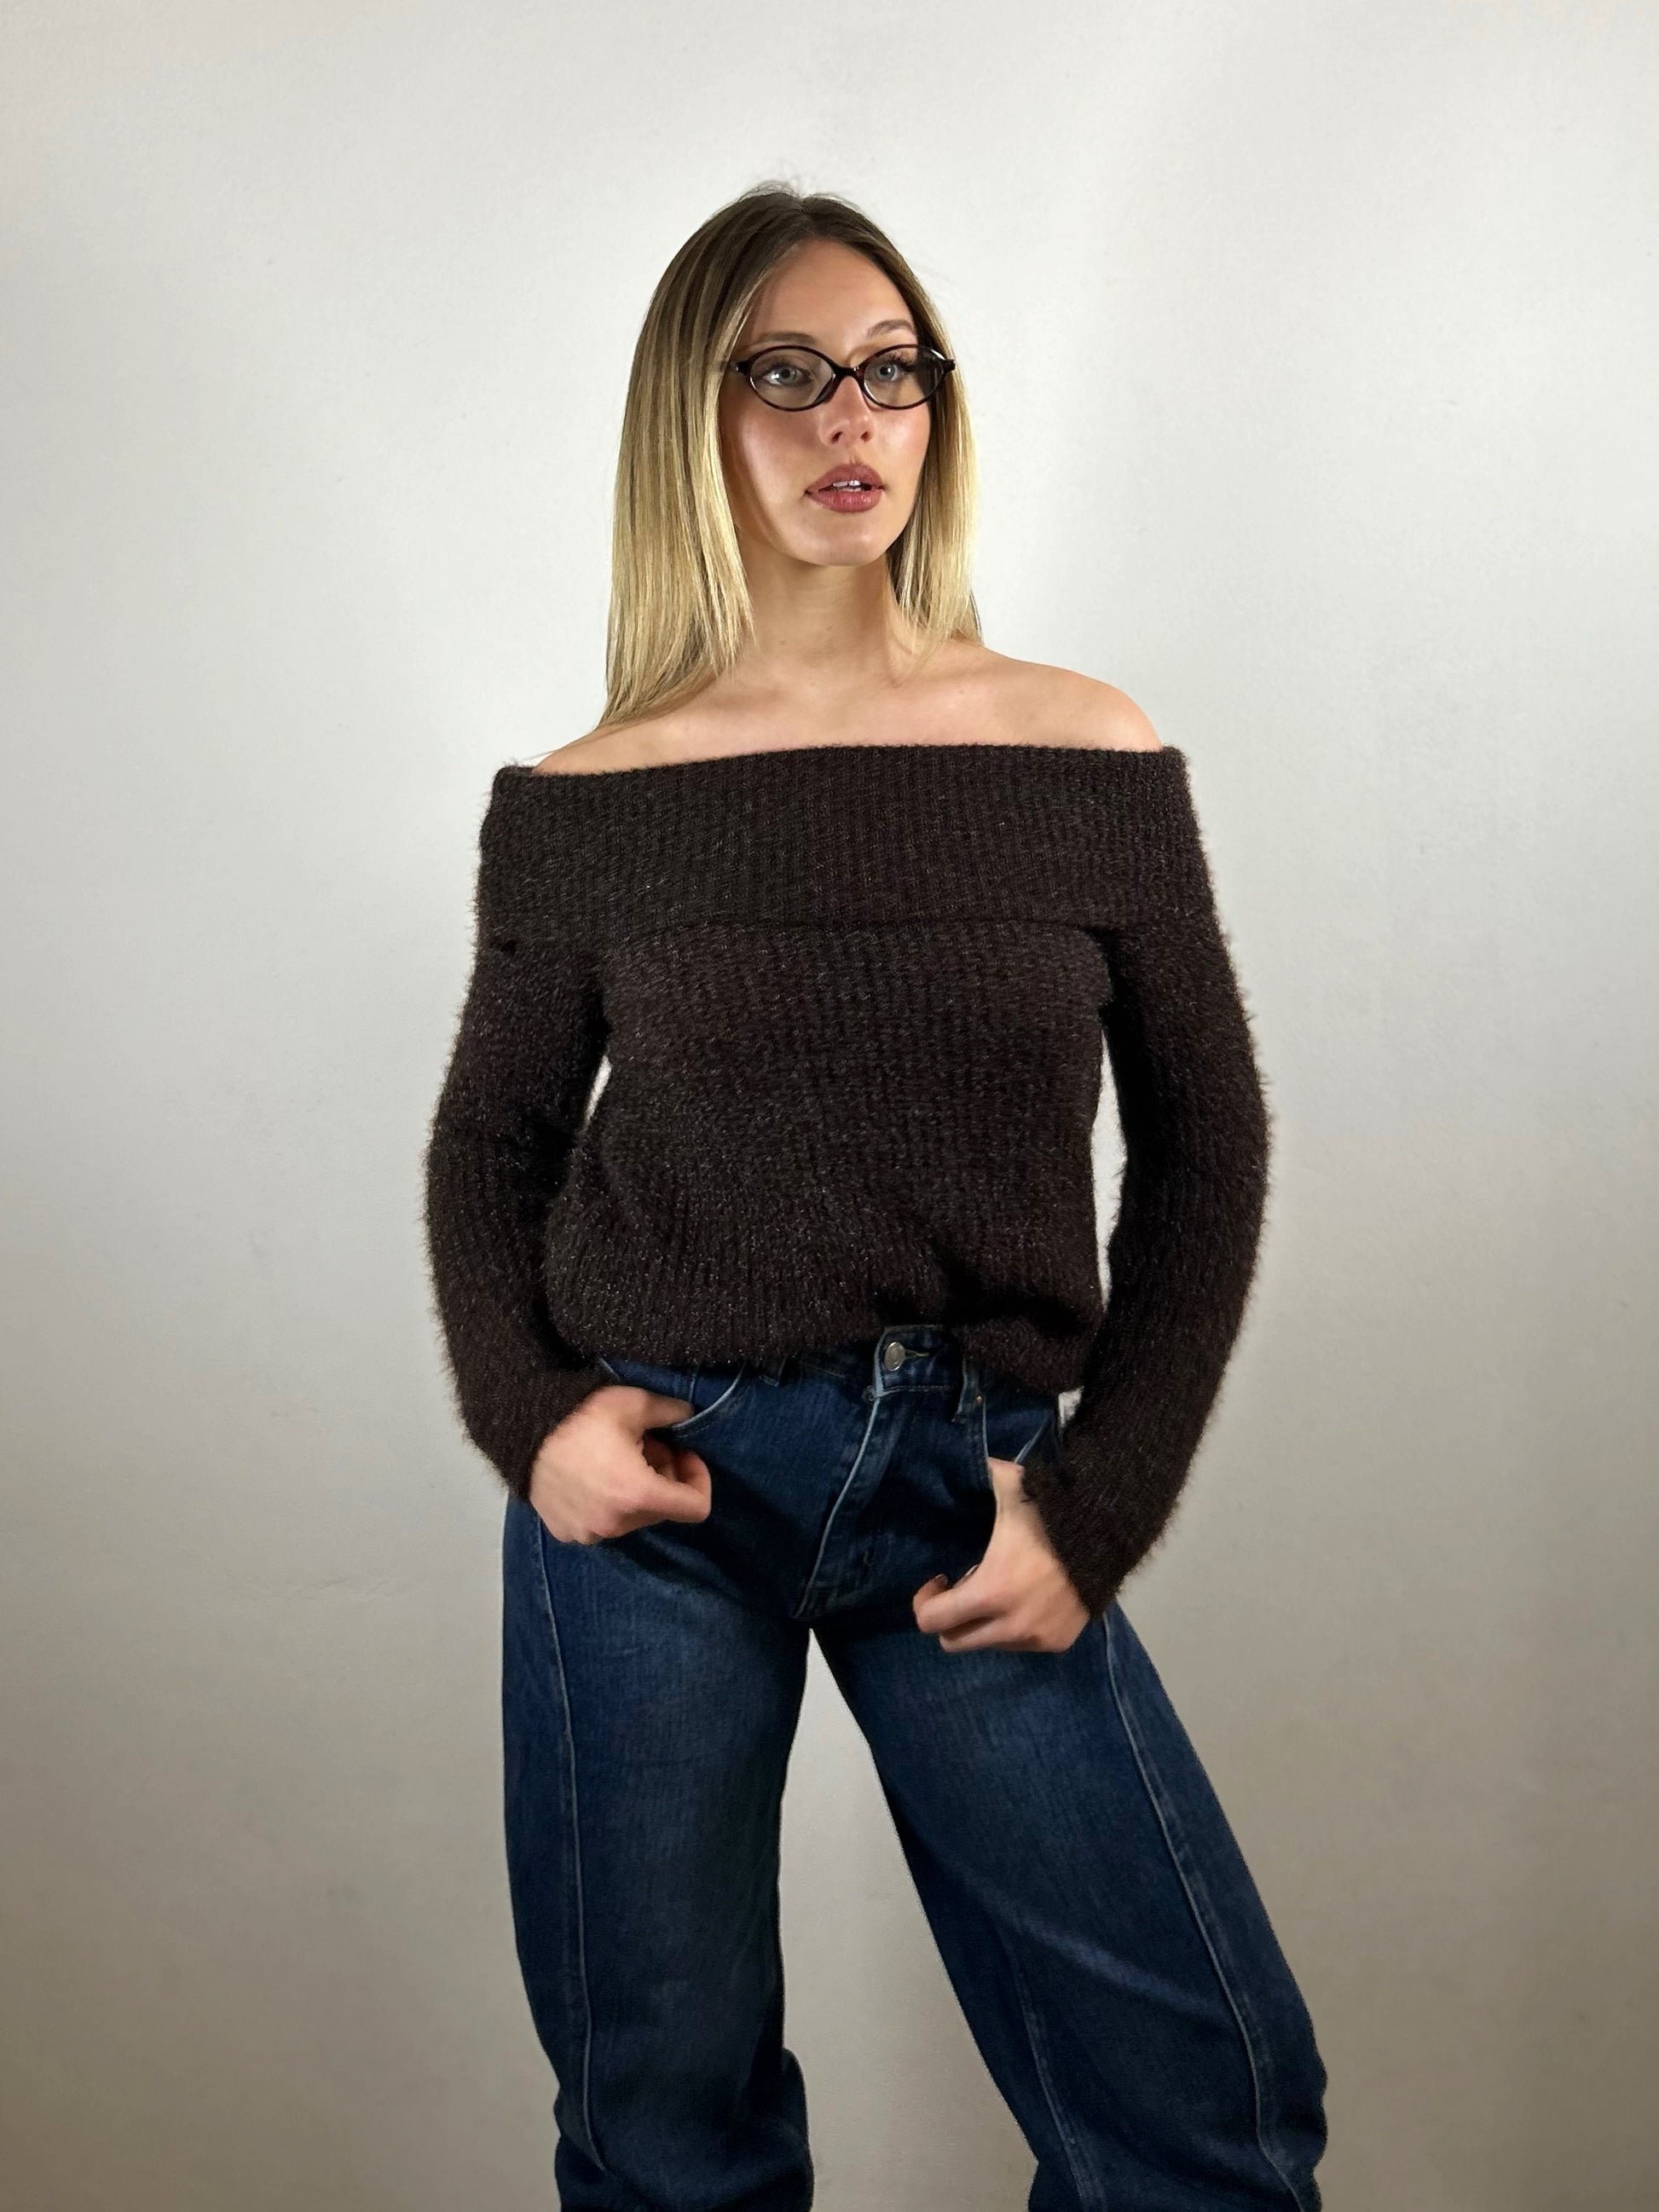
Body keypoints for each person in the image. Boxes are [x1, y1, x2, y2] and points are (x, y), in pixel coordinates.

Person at [423, 182, 1328, 2211]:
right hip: (659, 1490)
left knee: (1200, 2105)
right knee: (667, 2131)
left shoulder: (1082, 749)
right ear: (694, 415)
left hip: (971, 1481)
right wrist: (530, 1418)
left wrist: (1101, 1500)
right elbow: (491, 1145)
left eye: (894, 370)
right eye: (789, 372)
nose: (853, 415)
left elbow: (1208, 1143)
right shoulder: (586, 800)